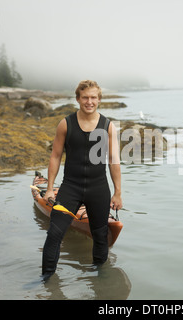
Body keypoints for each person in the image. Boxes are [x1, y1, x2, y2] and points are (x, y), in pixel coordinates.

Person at [41, 80, 122, 281]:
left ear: (99, 100)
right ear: (78, 99)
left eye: (93, 97)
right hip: (70, 187)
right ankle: (46, 281)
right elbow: (55, 156)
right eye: (85, 97)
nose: (89, 101)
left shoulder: (108, 126)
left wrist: (117, 192)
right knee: (54, 234)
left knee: (100, 236)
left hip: (98, 188)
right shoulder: (65, 124)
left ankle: (100, 279)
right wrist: (50, 189)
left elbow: (113, 160)